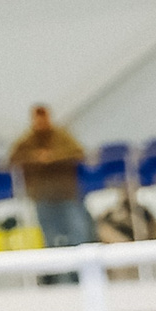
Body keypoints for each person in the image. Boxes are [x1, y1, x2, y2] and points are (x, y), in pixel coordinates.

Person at [8, 105, 93, 251]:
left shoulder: (61, 136)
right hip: (42, 196)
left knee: (78, 234)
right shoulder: (28, 140)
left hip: (66, 194)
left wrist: (53, 157)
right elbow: (13, 159)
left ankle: (80, 271)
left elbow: (78, 153)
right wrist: (36, 158)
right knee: (51, 238)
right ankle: (59, 273)